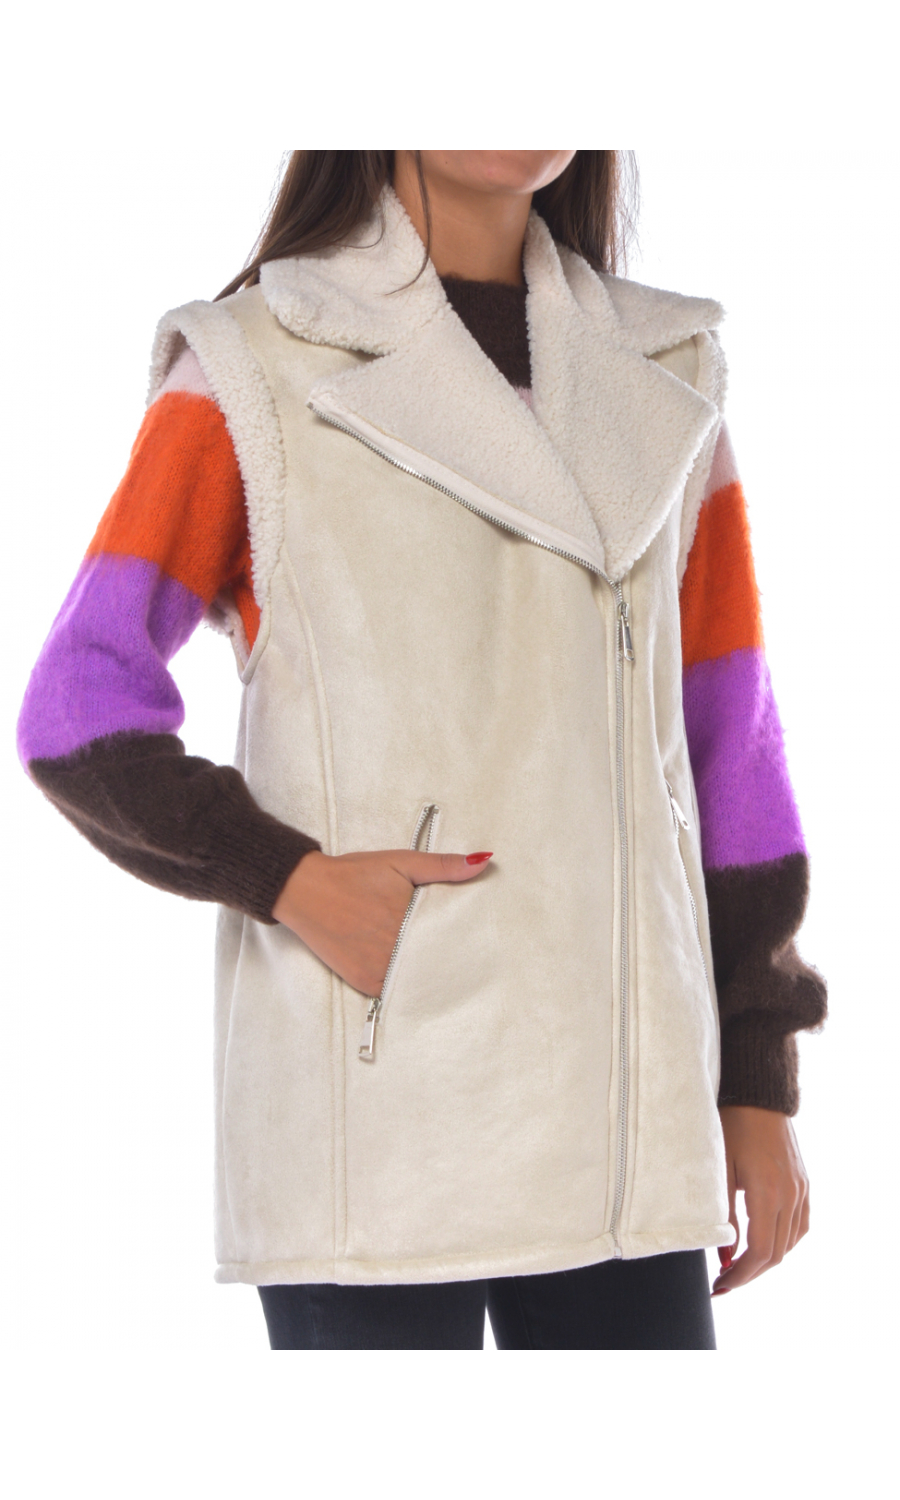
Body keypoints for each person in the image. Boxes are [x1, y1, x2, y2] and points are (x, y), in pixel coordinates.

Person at [16, 151, 826, 1349]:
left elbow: (729, 747)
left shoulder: (668, 369)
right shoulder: (257, 363)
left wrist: (757, 1072)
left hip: (631, 1118)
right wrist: (289, 878)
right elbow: (79, 708)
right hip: (376, 1099)